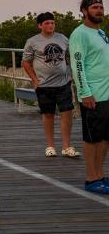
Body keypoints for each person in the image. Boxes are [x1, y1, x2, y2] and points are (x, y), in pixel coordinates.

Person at [22, 12, 80, 158]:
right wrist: (34, 80)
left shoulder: (63, 38)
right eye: (47, 23)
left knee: (67, 113)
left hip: (63, 82)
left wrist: (72, 74)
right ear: (40, 25)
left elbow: (72, 55)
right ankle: (50, 146)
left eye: (52, 23)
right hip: (44, 85)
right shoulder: (32, 41)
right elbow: (26, 62)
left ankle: (66, 146)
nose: (50, 25)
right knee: (48, 114)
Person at [69, 0, 109, 194]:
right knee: (92, 138)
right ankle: (91, 178)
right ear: (84, 11)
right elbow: (77, 64)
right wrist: (85, 92)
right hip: (93, 94)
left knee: (104, 138)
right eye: (94, 7)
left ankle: (100, 175)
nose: (99, 10)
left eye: (101, 7)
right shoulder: (80, 34)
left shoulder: (100, 32)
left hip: (107, 94)